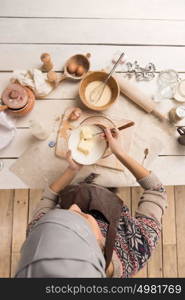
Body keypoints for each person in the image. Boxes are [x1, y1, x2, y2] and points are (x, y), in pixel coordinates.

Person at [15, 128, 167, 278]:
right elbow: (156, 189)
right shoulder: (138, 249)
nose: (74, 206)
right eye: (82, 218)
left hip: (73, 186)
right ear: (100, 242)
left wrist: (72, 170)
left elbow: (48, 198)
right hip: (109, 194)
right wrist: (120, 153)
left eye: (59, 212)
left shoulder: (42, 233)